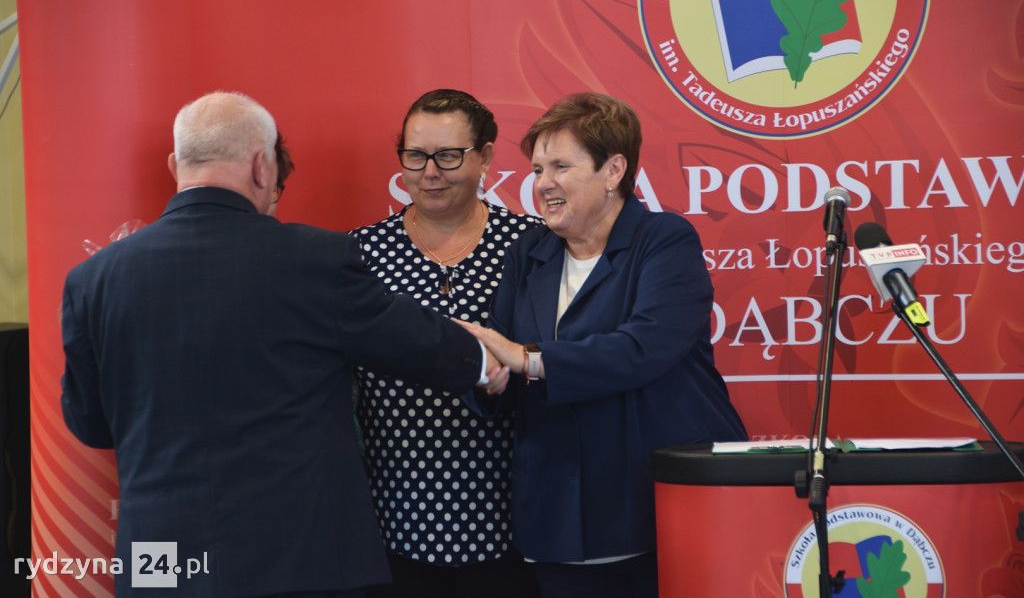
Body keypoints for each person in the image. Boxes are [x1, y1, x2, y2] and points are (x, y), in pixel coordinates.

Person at [60, 91, 507, 597]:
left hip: (160, 560)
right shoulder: (312, 259)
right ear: (261, 165)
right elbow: (410, 340)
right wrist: (481, 360)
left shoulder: (91, 281)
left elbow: (90, 424)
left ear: (175, 165)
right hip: (293, 558)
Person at [458, 92, 748, 598]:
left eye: (560, 167)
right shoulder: (528, 253)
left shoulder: (664, 240)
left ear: (613, 170)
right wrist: (489, 376)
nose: (543, 183)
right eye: (538, 169)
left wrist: (528, 360)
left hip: (657, 516)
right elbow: (505, 370)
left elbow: (643, 348)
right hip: (557, 524)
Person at [353, 89, 541, 598]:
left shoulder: (533, 244)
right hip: (395, 512)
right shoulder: (360, 252)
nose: (429, 172)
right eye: (415, 155)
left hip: (514, 513)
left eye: (449, 156)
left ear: (485, 156)